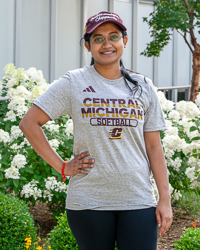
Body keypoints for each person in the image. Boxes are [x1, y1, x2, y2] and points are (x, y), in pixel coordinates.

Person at [20, 11, 173, 250]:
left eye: (113, 36)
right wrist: (62, 166)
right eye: (98, 39)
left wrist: (165, 199)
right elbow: (29, 123)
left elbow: (154, 146)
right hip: (88, 201)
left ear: (125, 40)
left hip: (137, 199)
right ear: (87, 46)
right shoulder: (74, 82)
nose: (107, 44)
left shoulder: (143, 86)